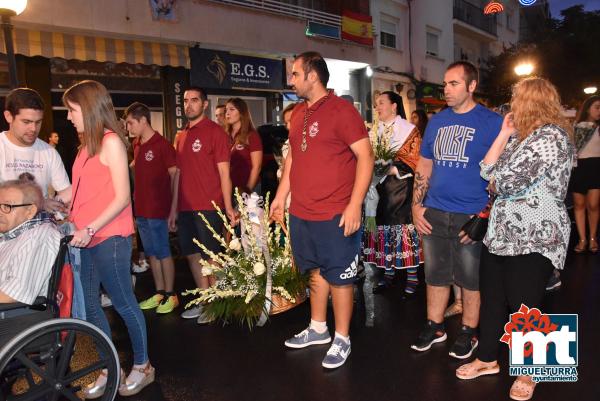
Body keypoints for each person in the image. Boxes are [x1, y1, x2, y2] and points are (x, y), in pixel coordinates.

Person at [456, 77, 575, 401]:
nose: (511, 104)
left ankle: (531, 370)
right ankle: (487, 359)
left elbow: (504, 181)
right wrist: (505, 133)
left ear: (532, 101)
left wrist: (497, 180)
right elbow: (486, 171)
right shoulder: (521, 137)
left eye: (516, 98)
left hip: (535, 233)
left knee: (526, 302)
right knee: (494, 296)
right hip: (504, 232)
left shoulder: (551, 136)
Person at [270, 51, 374, 369]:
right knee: (315, 271)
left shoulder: (342, 111)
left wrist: (355, 204)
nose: (291, 79)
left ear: (312, 76)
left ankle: (342, 337)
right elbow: (292, 159)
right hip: (302, 212)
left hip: (335, 212)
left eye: (295, 73)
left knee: (340, 277)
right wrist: (280, 196)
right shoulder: (299, 114)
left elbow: (366, 158)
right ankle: (318, 328)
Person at [64, 80, 154, 397]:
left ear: (87, 108)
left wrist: (89, 227)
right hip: (84, 240)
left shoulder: (111, 142)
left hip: (109, 238)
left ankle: (143, 366)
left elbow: (122, 197)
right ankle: (107, 366)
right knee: (89, 307)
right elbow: (77, 192)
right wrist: (49, 200)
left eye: (72, 110)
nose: (68, 117)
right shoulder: (84, 149)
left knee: (124, 304)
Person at [411, 61, 502, 359]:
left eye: (453, 84)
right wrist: (416, 205)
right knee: (435, 275)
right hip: (434, 211)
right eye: (445, 84)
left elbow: (503, 172)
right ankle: (434, 326)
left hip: (470, 215)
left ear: (471, 86)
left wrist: (485, 215)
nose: (446, 90)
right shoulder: (437, 121)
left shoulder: (491, 122)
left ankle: (468, 332)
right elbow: (425, 163)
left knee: (470, 278)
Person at [168, 86, 236, 323]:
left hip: (209, 206)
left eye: (194, 100)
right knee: (192, 255)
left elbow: (225, 173)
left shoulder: (216, 132)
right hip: (186, 207)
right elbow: (178, 175)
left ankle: (218, 305)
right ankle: (206, 302)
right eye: (186, 101)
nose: (189, 105)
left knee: (212, 257)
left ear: (205, 104)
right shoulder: (182, 135)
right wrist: (174, 209)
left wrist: (227, 207)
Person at [362, 91, 423, 296]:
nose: (377, 107)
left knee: (403, 231)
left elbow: (416, 160)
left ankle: (412, 277)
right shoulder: (374, 130)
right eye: (376, 104)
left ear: (394, 105)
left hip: (401, 190)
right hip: (379, 190)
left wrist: (393, 168)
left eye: (381, 103)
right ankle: (388, 274)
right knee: (383, 230)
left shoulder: (408, 129)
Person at [124, 102, 179, 314]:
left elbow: (175, 175)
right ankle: (159, 292)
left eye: (131, 123)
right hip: (142, 210)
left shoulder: (162, 145)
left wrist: (173, 209)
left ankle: (170, 294)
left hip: (159, 209)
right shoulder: (137, 145)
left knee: (163, 252)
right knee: (152, 254)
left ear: (143, 120)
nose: (129, 128)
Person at [0, 88, 71, 213]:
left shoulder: (49, 152)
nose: (33, 128)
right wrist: (40, 203)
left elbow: (65, 192)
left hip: (40, 227)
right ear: (8, 116)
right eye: (26, 122)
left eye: (38, 122)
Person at [0, 179, 61, 305]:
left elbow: (15, 293)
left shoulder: (37, 236)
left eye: (7, 206)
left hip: (15, 317)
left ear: (30, 211)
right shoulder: (9, 236)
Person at [570, 95, 600, 253]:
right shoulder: (575, 127)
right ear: (588, 108)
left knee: (594, 205)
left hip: (596, 167)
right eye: (596, 107)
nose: (599, 111)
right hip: (579, 168)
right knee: (579, 205)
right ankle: (582, 239)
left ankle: (593, 238)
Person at [225, 98, 263, 195]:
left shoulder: (251, 135)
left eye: (232, 109)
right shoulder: (225, 135)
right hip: (230, 188)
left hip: (248, 188)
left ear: (241, 112)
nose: (227, 113)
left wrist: (247, 190)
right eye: (226, 110)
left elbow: (257, 167)